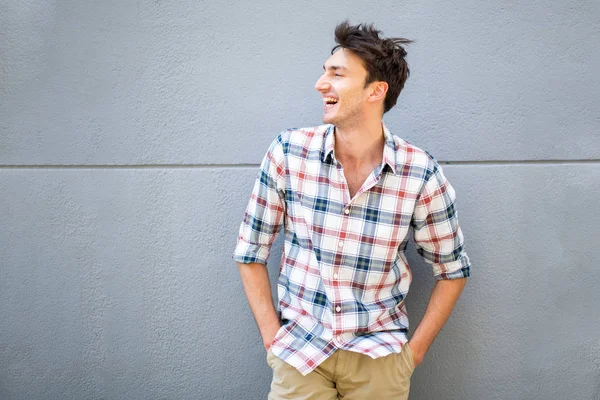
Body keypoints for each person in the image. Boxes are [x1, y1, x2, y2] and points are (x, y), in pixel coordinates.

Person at [233, 20, 471, 400]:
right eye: (325, 71)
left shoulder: (419, 172)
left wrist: (411, 357)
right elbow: (250, 251)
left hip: (380, 359)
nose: (320, 84)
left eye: (336, 74)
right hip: (300, 355)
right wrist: (272, 341)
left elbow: (453, 270)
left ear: (376, 90)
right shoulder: (288, 153)